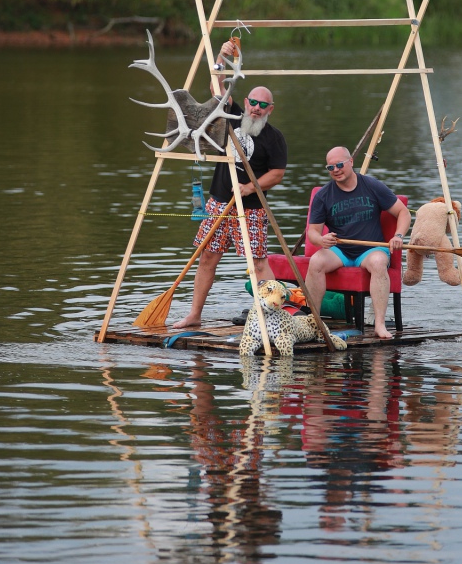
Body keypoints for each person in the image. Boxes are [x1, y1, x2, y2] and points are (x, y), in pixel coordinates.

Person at [173, 40, 287, 328]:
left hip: (250, 208)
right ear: (245, 102)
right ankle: (195, 315)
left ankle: (272, 315)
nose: (256, 108)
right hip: (219, 202)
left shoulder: (274, 138)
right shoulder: (231, 116)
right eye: (253, 102)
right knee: (207, 256)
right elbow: (216, 85)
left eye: (263, 105)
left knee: (258, 263)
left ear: (270, 108)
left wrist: (250, 188)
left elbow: (277, 173)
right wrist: (222, 56)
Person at [304, 145, 410, 340]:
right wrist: (321, 240)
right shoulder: (323, 195)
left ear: (351, 162)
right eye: (330, 167)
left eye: (339, 164)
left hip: (371, 250)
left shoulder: (372, 185)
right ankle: (314, 322)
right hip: (340, 251)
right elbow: (312, 233)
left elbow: (403, 212)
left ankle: (379, 325)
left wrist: (398, 236)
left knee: (379, 262)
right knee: (315, 262)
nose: (335, 170)